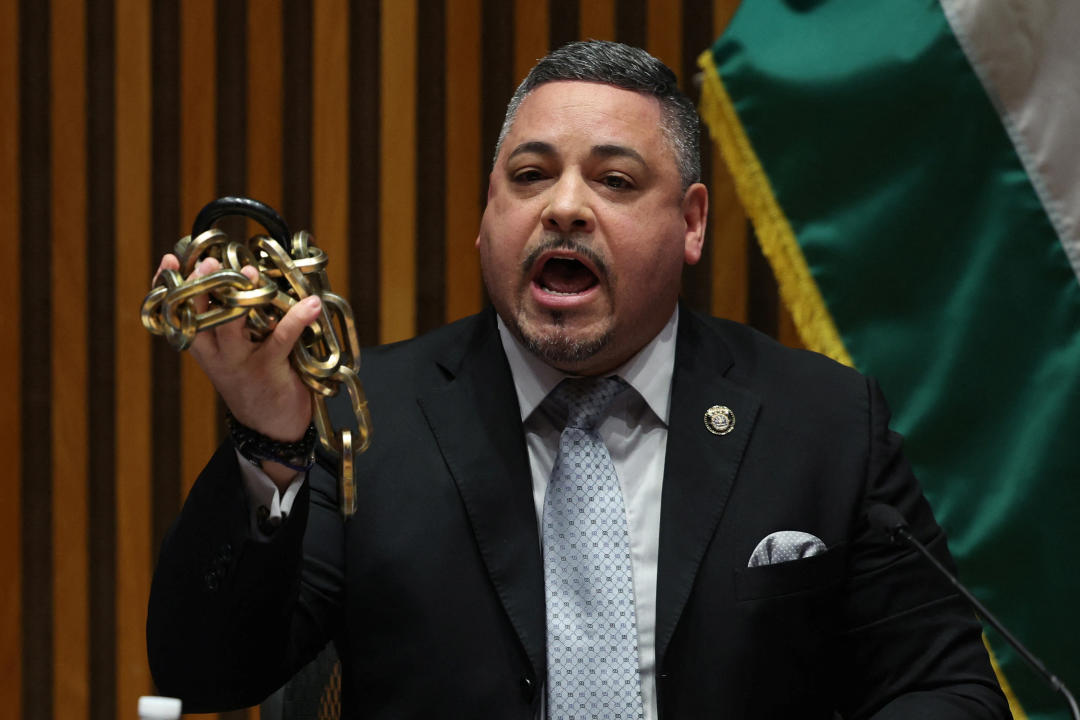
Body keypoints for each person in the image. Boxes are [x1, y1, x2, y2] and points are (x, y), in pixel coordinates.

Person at [147, 41, 1009, 719]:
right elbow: (206, 672)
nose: (563, 206)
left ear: (692, 223)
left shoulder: (820, 422)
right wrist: (268, 443)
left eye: (615, 180)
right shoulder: (367, 421)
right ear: (489, 216)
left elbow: (947, 688)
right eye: (529, 177)